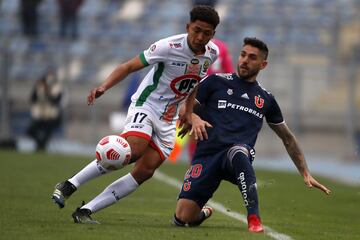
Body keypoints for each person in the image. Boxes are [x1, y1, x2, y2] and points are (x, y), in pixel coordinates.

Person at [51, 5, 220, 224]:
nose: (200, 37)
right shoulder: (168, 46)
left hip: (168, 120)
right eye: (196, 30)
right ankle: (70, 184)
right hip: (146, 105)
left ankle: (85, 211)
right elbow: (129, 66)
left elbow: (193, 83)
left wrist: (187, 111)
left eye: (207, 33)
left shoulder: (211, 53)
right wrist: (104, 86)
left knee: (145, 171)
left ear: (213, 34)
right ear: (188, 27)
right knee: (133, 150)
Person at [173, 37, 332, 232]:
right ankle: (204, 212)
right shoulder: (215, 82)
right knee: (183, 218)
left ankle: (254, 218)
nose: (245, 60)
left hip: (237, 154)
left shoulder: (266, 99)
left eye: (252, 57)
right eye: (242, 55)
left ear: (263, 64)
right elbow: (183, 109)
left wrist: (305, 173)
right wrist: (194, 118)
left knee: (239, 152)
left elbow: (288, 138)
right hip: (207, 156)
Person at [26, 69, 63, 150]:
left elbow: (56, 101)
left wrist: (48, 93)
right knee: (30, 131)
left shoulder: (57, 87)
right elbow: (33, 98)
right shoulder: (40, 86)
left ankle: (41, 146)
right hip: (40, 115)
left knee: (48, 132)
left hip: (51, 117)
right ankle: (40, 144)